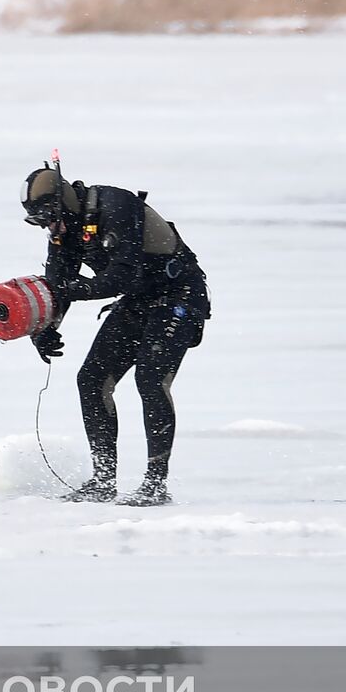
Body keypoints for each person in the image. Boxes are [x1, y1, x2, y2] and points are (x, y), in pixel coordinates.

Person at [21, 160, 210, 507]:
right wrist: (45, 328)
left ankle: (155, 484)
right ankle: (103, 480)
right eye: (40, 221)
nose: (49, 225)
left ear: (65, 200)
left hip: (178, 293)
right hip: (139, 299)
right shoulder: (63, 234)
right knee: (91, 379)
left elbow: (120, 276)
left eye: (50, 215)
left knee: (151, 380)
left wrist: (77, 289)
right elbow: (57, 286)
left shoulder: (114, 205)